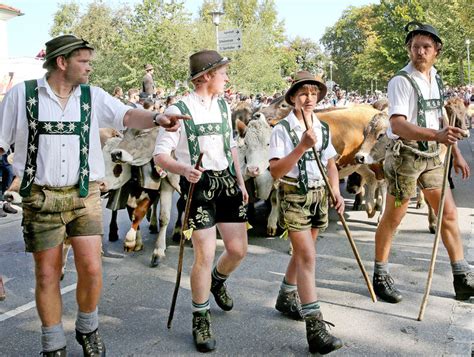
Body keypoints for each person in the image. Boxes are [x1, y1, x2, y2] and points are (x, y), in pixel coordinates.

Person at [0, 34, 188, 356]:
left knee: (91, 268)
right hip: (40, 198)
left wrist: (157, 118)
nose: (89, 68)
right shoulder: (22, 96)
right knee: (47, 274)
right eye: (84, 62)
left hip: (84, 196)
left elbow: (128, 117)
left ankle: (87, 327)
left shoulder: (92, 96)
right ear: (62, 62)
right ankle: (53, 344)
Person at [154, 50, 248, 353]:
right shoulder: (178, 109)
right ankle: (200, 316)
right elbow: (160, 156)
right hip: (200, 186)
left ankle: (217, 281)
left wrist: (241, 180)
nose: (226, 78)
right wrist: (184, 170)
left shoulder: (223, 105)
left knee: (238, 250)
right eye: (223, 73)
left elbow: (231, 145)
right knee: (204, 255)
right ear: (207, 75)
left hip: (227, 181)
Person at [372, 22, 473, 304]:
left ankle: (462, 276)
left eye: (426, 47)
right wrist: (437, 135)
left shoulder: (435, 78)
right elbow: (399, 125)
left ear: (436, 51)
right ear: (409, 49)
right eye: (415, 47)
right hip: (406, 155)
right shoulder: (401, 81)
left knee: (448, 214)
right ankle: (380, 274)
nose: (420, 52)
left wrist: (455, 152)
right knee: (394, 217)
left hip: (432, 156)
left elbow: (440, 117)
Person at [269, 71, 344, 355]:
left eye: (313, 93)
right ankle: (315, 329)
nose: (309, 98)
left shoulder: (322, 127)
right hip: (294, 196)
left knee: (304, 252)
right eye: (303, 93)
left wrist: (336, 190)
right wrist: (302, 146)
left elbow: (331, 163)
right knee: (308, 256)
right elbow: (275, 170)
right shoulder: (282, 130)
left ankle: (286, 295)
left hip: (319, 195)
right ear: (292, 98)